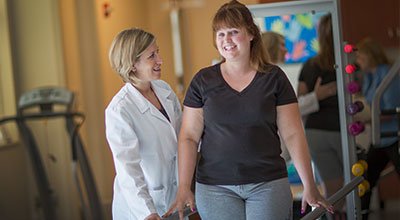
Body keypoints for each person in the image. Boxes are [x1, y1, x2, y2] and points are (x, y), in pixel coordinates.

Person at [163, 1, 333, 219]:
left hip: (268, 183)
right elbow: (188, 137)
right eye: (221, 34)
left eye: (234, 32)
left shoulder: (274, 78)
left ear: (251, 34)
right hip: (215, 187)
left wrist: (309, 184)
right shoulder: (203, 81)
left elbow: (293, 133)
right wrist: (184, 186)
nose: (227, 40)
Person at [105, 28, 182, 220]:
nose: (160, 60)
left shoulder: (164, 90)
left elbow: (184, 136)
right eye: (152, 56)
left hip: (174, 195)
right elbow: (127, 168)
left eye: (158, 52)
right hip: (142, 207)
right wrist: (147, 211)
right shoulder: (119, 109)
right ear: (132, 65)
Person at [262, 31, 337, 161]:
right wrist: (316, 96)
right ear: (270, 46)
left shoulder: (274, 74)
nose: (286, 50)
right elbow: (284, 109)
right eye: (282, 45)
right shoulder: (267, 77)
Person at [297, 13, 344, 217]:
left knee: (332, 191)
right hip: (344, 130)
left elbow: (297, 103)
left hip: (316, 133)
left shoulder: (310, 65)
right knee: (356, 184)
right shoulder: (349, 62)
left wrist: (315, 96)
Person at [355, 37, 400, 219]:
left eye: (361, 58)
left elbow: (391, 110)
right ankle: (362, 215)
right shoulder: (369, 77)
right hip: (378, 137)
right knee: (365, 179)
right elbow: (369, 105)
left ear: (371, 57)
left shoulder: (389, 74)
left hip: (393, 136)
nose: (358, 62)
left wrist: (368, 117)